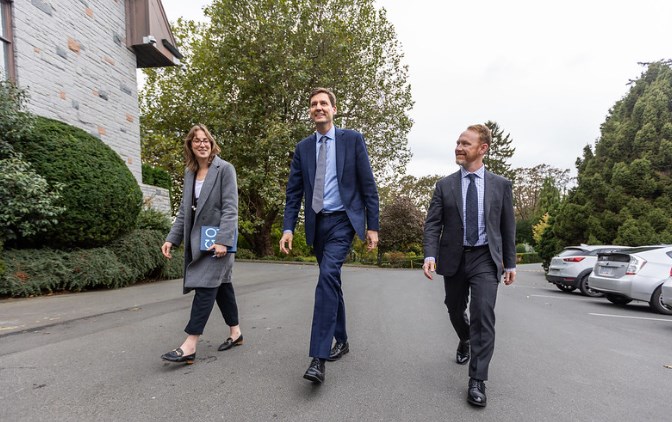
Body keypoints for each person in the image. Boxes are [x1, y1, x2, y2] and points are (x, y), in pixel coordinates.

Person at [279, 87, 379, 384]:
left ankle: (318, 358)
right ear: (310, 112)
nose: (318, 107)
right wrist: (287, 227)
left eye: (324, 103)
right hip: (317, 224)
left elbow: (368, 186)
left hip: (343, 222)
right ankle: (342, 340)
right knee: (331, 281)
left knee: (326, 278)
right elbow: (293, 192)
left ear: (334, 109)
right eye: (313, 104)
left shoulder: (352, 140)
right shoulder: (303, 148)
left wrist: (372, 227)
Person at [422, 124, 516, 407]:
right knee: (453, 308)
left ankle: (477, 380)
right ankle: (465, 339)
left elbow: (507, 226)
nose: (459, 147)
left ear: (482, 148)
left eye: (465, 143)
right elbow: (433, 224)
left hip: (485, 258)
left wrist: (509, 262)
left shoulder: (501, 185)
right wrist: (429, 255)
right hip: (454, 257)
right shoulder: (445, 185)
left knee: (482, 313)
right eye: (458, 142)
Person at [160, 124, 243, 364]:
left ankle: (190, 344)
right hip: (199, 242)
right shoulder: (190, 173)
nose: (202, 144)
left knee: (206, 286)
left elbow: (230, 208)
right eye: (196, 140)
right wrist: (171, 238)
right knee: (222, 286)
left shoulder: (225, 169)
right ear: (190, 145)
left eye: (205, 139)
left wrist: (223, 241)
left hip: (219, 243)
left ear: (212, 142)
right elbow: (185, 212)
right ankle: (236, 333)